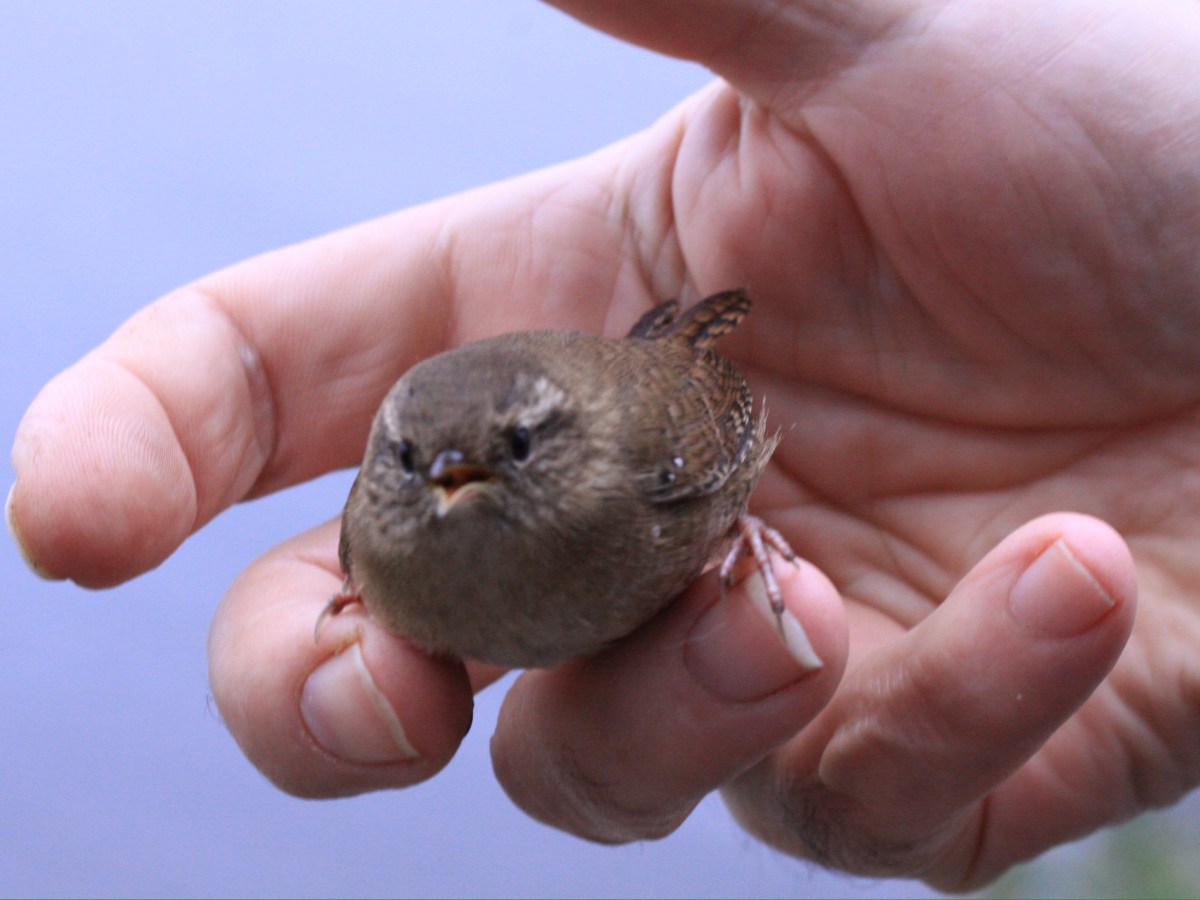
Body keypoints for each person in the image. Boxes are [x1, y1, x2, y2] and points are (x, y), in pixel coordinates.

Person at [9, 0, 1199, 890]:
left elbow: (729, 423)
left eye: (504, 455)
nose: (448, 483)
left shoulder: (643, 456)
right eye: (414, 468)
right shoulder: (392, 519)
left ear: (558, 438)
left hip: (667, 412)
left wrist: (749, 532)